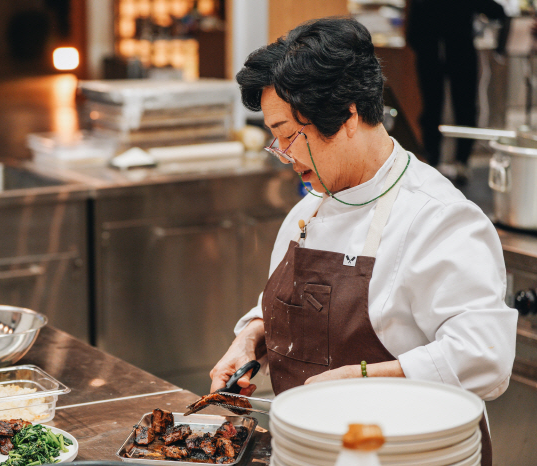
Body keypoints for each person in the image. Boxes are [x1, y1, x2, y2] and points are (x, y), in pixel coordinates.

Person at [209, 17, 517, 466]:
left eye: (291, 136)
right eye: (276, 141)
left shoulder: (438, 217)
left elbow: (484, 356)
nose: (286, 156)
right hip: (310, 452)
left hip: (410, 455)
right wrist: (251, 338)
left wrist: (366, 378)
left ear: (349, 115)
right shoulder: (309, 209)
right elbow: (292, 303)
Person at [406, 0, 508, 183]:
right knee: (458, 108)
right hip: (453, 50)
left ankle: (439, 161)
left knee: (439, 108)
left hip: (437, 52)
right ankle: (457, 162)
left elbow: (412, 32)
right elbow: (495, 11)